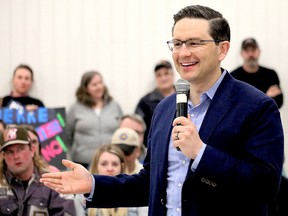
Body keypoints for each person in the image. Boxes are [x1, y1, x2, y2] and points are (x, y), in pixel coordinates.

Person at [40, 5, 284, 216]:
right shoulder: (165, 108)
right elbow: (151, 183)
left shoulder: (256, 106)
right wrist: (93, 184)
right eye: (177, 43)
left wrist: (200, 153)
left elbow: (266, 186)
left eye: (195, 43)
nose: (183, 52)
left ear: (222, 49)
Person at [0, 125, 76, 215]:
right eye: (10, 152)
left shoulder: (53, 181)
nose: (16, 156)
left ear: (32, 150)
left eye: (20, 149)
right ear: (3, 156)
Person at [66, 71, 123, 168]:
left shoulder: (114, 105)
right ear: (86, 88)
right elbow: (67, 136)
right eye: (94, 84)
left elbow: (122, 130)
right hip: (83, 162)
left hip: (110, 163)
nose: (99, 87)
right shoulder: (75, 108)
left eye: (100, 83)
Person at [74, 144, 128, 216]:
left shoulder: (135, 194)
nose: (110, 169)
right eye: (104, 164)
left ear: (122, 167)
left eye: (115, 164)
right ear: (96, 166)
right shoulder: (82, 197)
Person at [230, 38, 283, 108]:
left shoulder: (270, 75)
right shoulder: (233, 77)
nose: (251, 54)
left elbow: (278, 102)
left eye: (253, 50)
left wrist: (247, 101)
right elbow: (233, 106)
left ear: (259, 52)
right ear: (241, 54)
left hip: (265, 119)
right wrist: (266, 97)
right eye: (247, 51)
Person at [135, 60, 175, 146]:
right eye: (159, 75)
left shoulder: (186, 96)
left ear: (173, 75)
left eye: (166, 73)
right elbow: (136, 126)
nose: (163, 78)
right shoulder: (145, 102)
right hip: (154, 149)